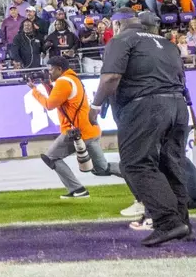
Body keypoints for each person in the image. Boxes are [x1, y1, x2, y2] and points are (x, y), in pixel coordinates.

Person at [93, 12, 192, 247]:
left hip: (146, 106)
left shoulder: (121, 40)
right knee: (171, 164)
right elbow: (182, 79)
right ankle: (184, 225)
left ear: (117, 25)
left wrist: (96, 105)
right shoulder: (168, 44)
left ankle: (167, 222)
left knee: (135, 164)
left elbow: (111, 78)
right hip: (177, 105)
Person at [28, 55, 124, 199]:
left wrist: (34, 90)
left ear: (60, 69)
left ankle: (78, 189)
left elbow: (50, 104)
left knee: (51, 157)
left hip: (77, 132)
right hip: (87, 129)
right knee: (101, 169)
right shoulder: (73, 78)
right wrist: (47, 85)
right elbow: (60, 99)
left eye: (51, 69)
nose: (49, 72)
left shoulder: (63, 82)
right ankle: (136, 174)